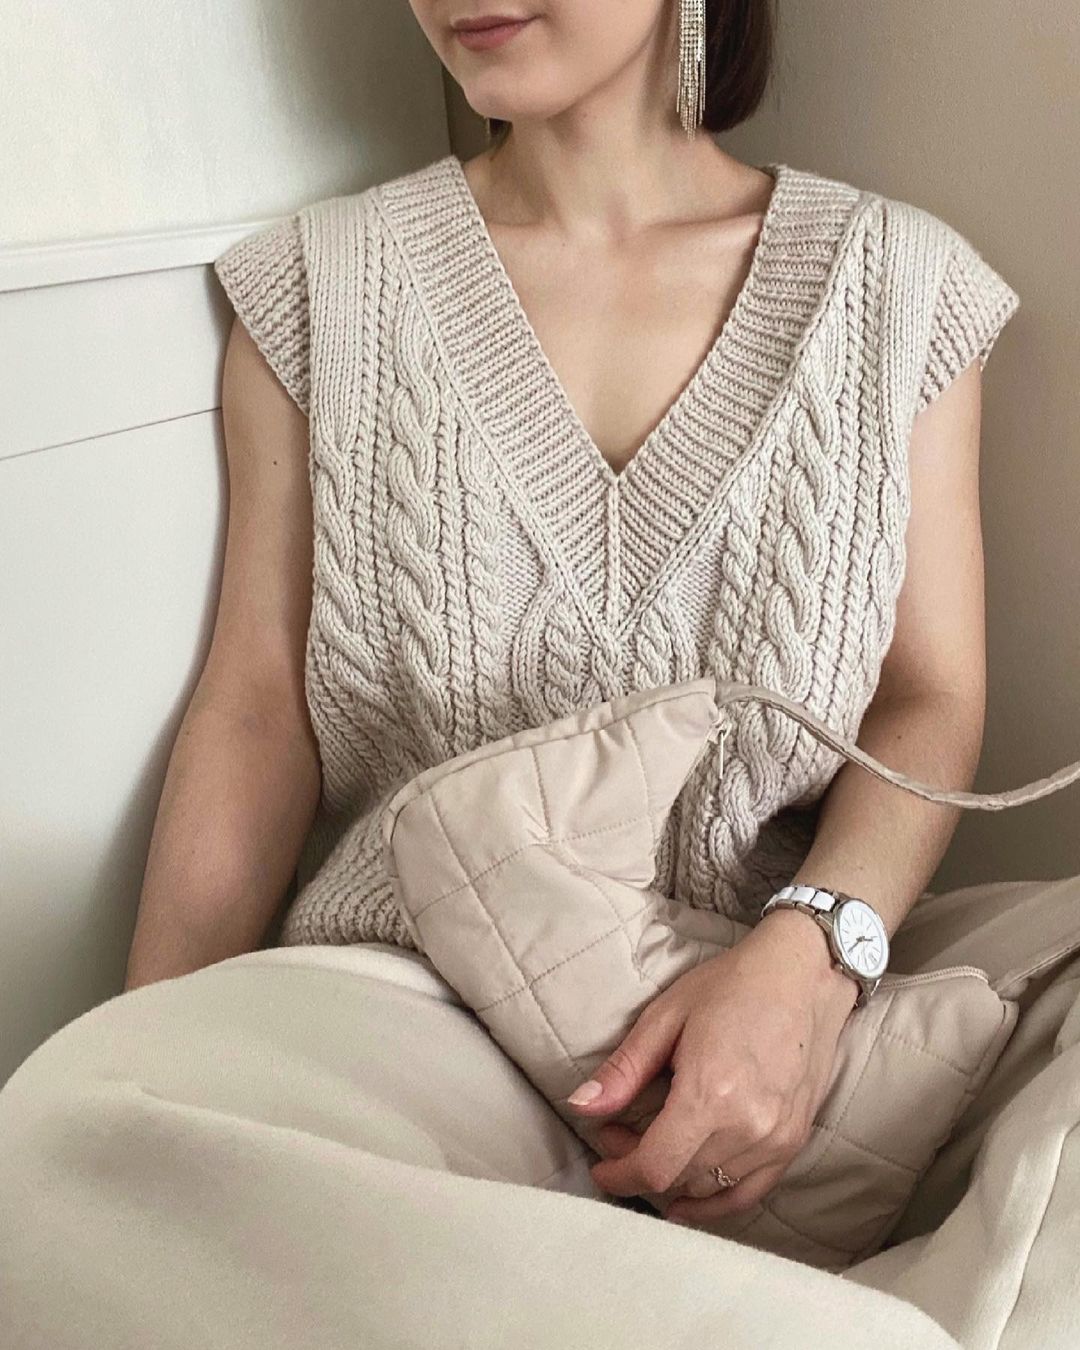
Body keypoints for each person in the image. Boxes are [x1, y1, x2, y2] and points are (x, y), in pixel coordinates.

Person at [3, 3, 1080, 1347]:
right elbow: (257, 712)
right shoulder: (327, 289)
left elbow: (929, 698)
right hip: (415, 1002)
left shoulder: (899, 289)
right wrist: (149, 1066)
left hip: (776, 969)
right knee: (55, 1146)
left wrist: (814, 954)